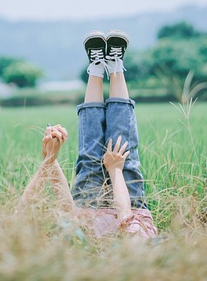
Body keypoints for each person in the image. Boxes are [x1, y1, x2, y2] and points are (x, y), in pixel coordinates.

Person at [19, 30, 157, 239]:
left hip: (88, 208)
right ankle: (115, 66)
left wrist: (50, 158)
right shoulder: (137, 248)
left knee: (90, 156)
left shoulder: (82, 247)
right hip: (130, 202)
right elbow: (127, 220)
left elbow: (68, 211)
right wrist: (115, 170)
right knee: (122, 149)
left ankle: (96, 69)